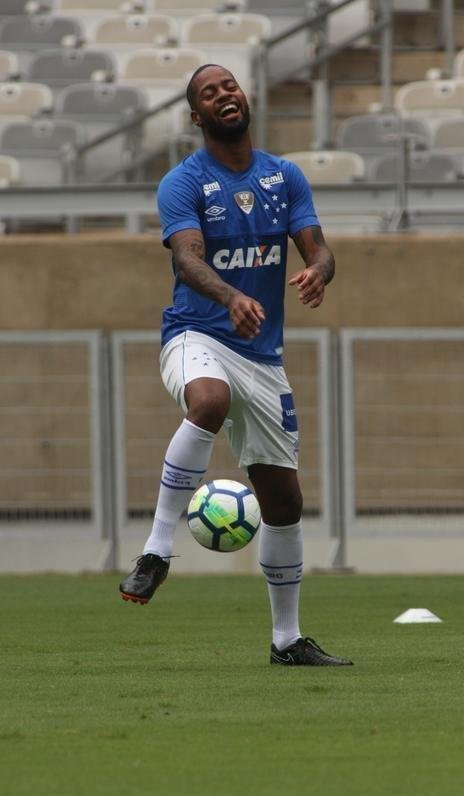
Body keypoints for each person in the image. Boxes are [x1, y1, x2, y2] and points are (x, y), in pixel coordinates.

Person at [119, 64, 353, 667]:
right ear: (197, 117)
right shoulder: (182, 183)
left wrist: (318, 272)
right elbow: (187, 259)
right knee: (209, 401)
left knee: (283, 501)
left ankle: (287, 641)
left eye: (229, 86)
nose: (223, 94)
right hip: (196, 333)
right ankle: (157, 550)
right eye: (208, 93)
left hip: (263, 358)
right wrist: (230, 296)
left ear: (243, 100)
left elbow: (319, 247)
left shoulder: (284, 175)